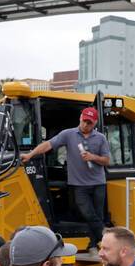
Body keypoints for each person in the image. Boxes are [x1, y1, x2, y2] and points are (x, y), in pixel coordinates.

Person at [21, 107, 111, 252]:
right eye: (84, 121)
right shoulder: (68, 134)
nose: (85, 125)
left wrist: (92, 157)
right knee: (88, 213)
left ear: (94, 123)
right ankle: (108, 238)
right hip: (78, 185)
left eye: (89, 122)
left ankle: (93, 245)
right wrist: (30, 155)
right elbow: (48, 145)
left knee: (96, 215)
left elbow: (106, 161)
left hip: (98, 183)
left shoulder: (100, 138)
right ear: (80, 118)